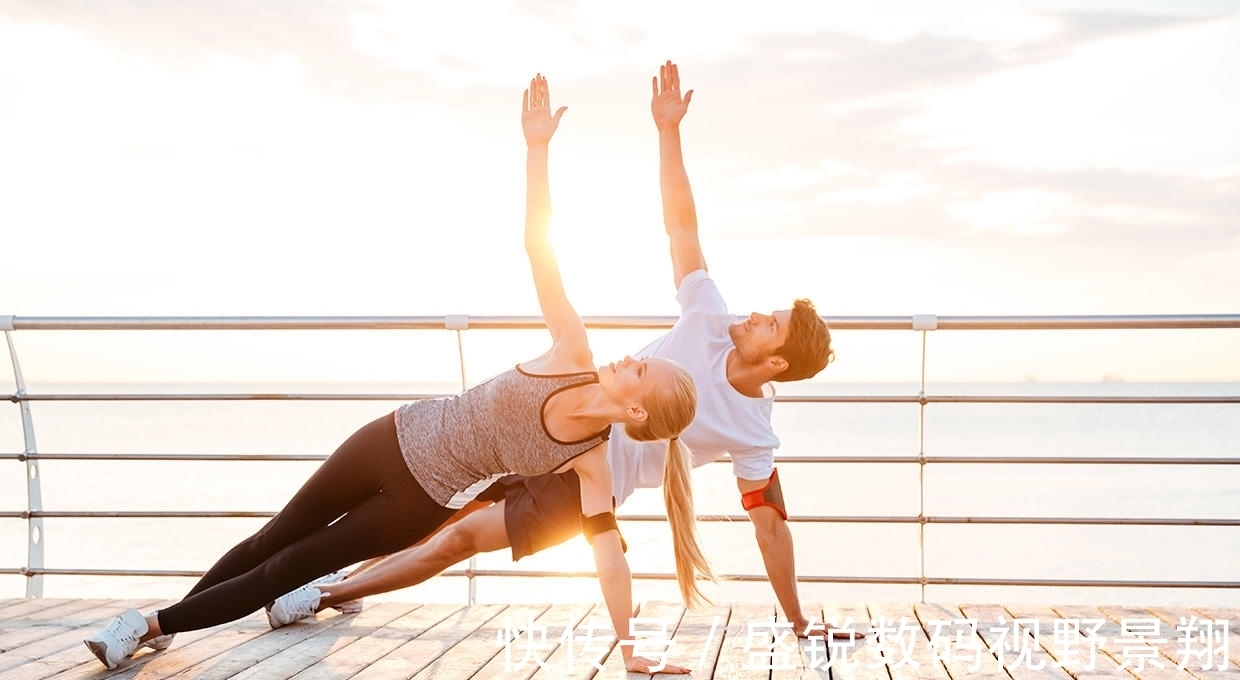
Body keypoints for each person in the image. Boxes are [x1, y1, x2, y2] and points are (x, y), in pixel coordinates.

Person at [82, 73, 709, 675]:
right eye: (641, 356)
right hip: (388, 437)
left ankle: (147, 625)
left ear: (636, 412)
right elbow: (538, 248)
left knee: (287, 569)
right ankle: (164, 625)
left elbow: (609, 559)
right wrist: (537, 148)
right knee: (272, 537)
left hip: (416, 503)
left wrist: (629, 649)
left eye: (641, 370)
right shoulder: (572, 350)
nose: (630, 356)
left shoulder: (591, 463)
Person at [269, 59, 852, 643]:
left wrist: (800, 622)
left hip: (586, 487)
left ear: (776, 364)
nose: (752, 316)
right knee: (441, 512)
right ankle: (332, 577)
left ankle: (323, 593)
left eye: (768, 325)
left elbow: (770, 529)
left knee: (457, 539)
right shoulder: (709, 315)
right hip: (556, 426)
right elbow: (680, 226)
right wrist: (668, 130)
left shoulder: (754, 429)